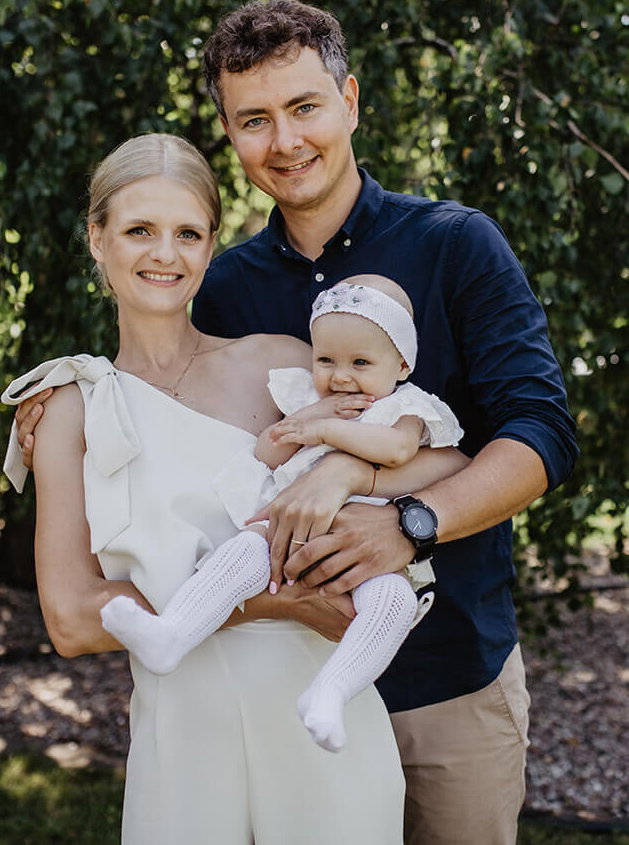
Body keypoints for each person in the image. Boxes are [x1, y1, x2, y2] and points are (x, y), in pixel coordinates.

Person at [16, 0, 578, 845]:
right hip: (273, 707)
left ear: (349, 101)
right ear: (230, 134)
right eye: (255, 120)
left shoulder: (455, 245)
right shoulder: (227, 290)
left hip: (444, 683)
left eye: (304, 107)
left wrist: (405, 520)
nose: (285, 140)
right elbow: (174, 398)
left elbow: (540, 433)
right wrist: (68, 409)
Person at [0, 133, 466, 844]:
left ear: (211, 244)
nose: (165, 254)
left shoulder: (283, 368)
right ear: (97, 238)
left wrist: (352, 472)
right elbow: (71, 619)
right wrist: (278, 602)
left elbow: (446, 462)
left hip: (321, 730)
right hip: (183, 739)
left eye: (188, 233)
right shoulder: (72, 407)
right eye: (139, 230)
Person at [100, 273, 462, 753]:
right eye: (326, 360)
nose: (341, 377)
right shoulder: (310, 400)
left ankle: (330, 693)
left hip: (366, 554)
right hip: (285, 535)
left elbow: (396, 450)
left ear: (401, 364)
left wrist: (328, 433)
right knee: (242, 553)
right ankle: (171, 634)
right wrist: (303, 421)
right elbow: (267, 455)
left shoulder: (408, 408)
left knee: (394, 603)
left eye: (360, 362)